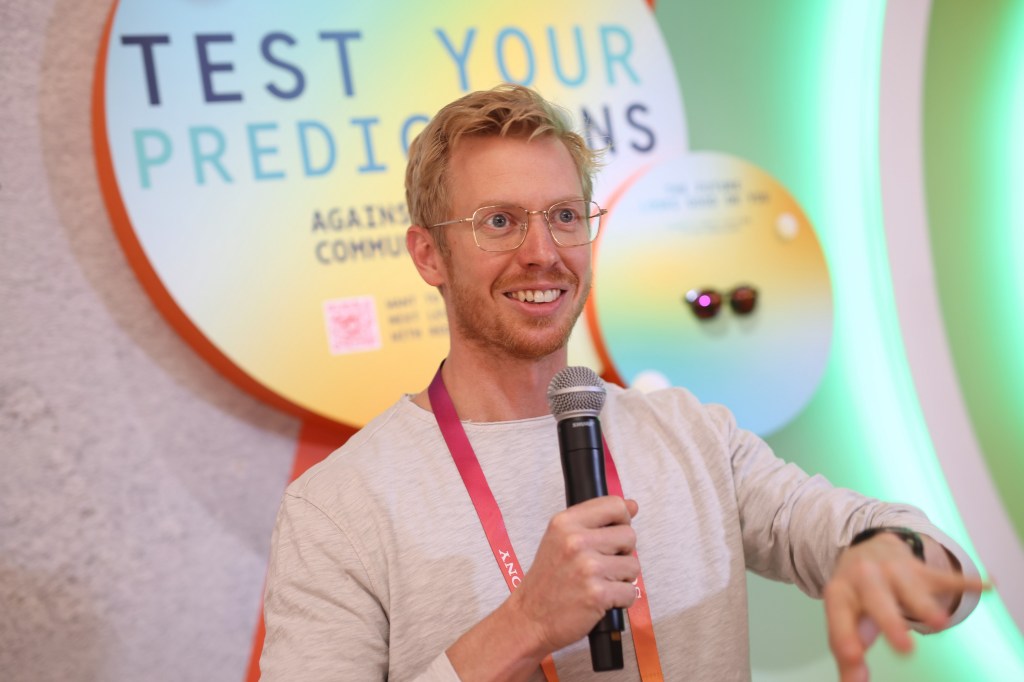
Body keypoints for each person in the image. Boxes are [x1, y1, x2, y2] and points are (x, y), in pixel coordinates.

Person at [259, 84, 984, 682]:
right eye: (500, 222)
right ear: (428, 254)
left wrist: (890, 553)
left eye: (565, 216)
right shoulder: (338, 508)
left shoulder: (692, 434)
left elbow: (920, 559)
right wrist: (523, 626)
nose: (541, 253)